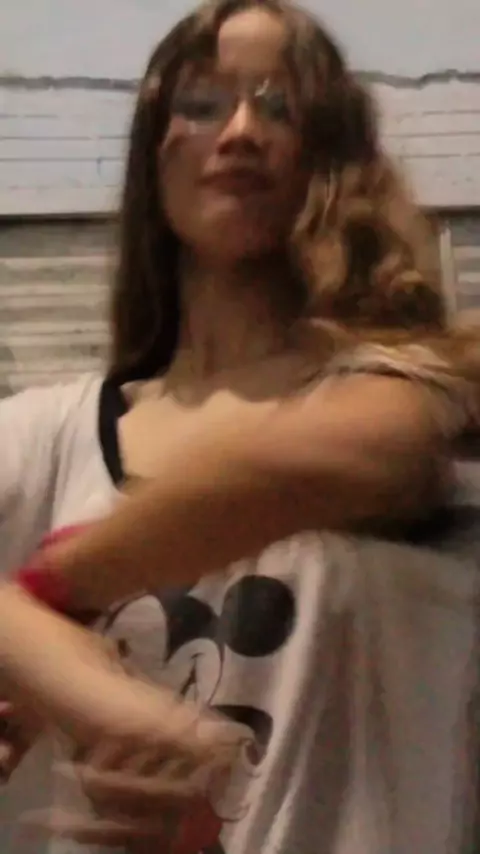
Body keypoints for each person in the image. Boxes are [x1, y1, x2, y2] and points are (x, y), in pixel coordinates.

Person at [1, 1, 479, 852]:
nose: (242, 132)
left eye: (279, 104)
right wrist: (59, 680)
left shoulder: (423, 391)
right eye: (202, 103)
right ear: (155, 153)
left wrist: (44, 604)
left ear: (331, 153)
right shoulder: (46, 435)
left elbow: (323, 464)